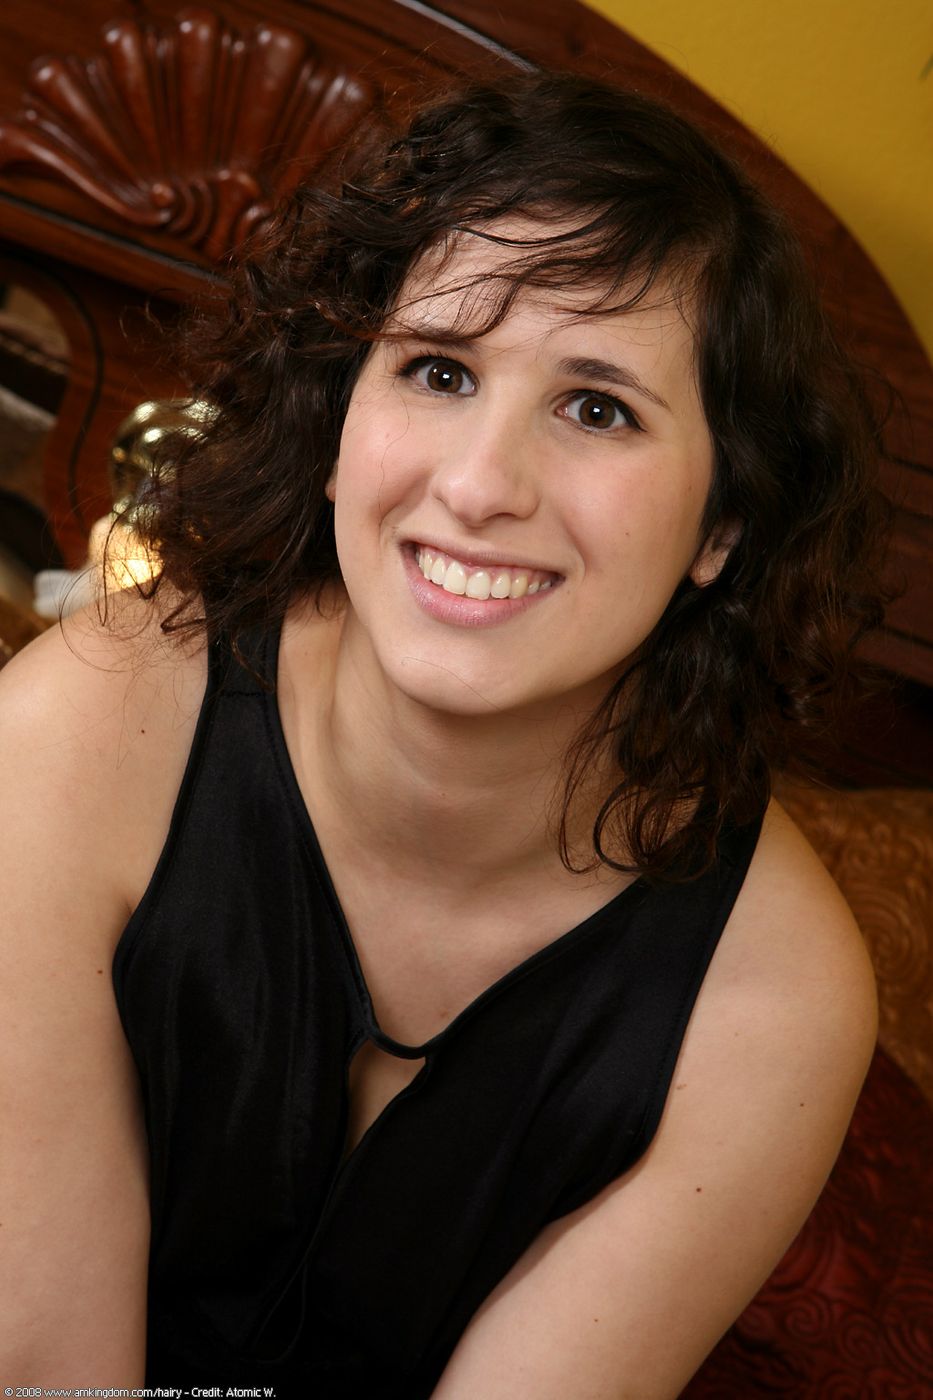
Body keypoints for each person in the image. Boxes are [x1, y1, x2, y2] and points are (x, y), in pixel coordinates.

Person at [0, 71, 884, 1397]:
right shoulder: (81, 728)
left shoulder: (769, 1005)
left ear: (722, 526)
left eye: (598, 407)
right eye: (438, 370)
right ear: (337, 424)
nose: (477, 486)